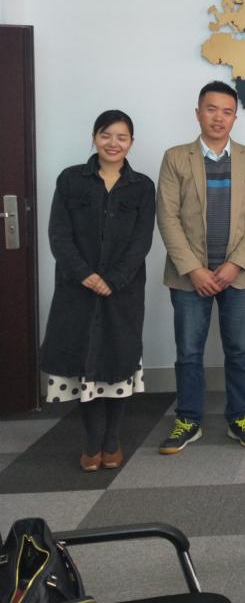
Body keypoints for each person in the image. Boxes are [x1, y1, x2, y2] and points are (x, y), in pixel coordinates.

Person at [156, 81, 245, 454]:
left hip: (238, 274)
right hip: (191, 276)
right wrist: (194, 269)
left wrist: (236, 264)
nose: (218, 118)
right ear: (198, 113)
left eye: (226, 111)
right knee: (189, 351)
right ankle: (188, 419)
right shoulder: (176, 158)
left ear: (235, 117)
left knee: (239, 350)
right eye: (211, 109)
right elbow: (167, 217)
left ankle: (240, 416)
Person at [39, 110, 155, 471]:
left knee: (118, 361)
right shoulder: (71, 180)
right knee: (84, 363)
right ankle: (91, 442)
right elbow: (59, 234)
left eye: (122, 137)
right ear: (94, 137)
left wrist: (114, 279)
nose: (113, 143)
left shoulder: (142, 186)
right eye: (106, 135)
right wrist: (85, 275)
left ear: (131, 143)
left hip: (123, 292)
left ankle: (112, 440)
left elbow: (141, 241)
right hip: (78, 290)